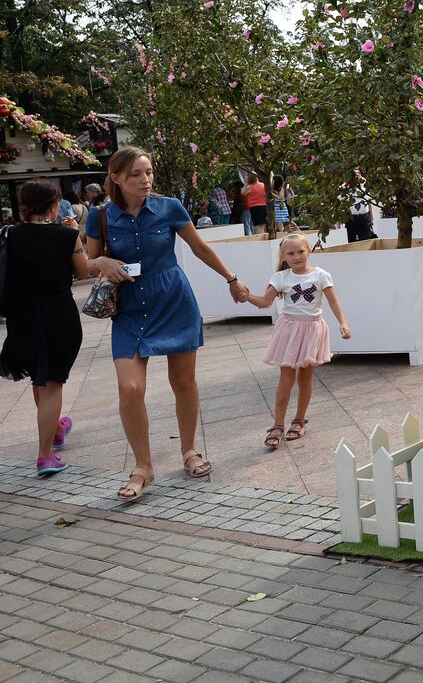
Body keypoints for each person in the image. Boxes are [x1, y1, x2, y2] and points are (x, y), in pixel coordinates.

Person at [85, 147, 251, 501]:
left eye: (148, 172)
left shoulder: (170, 206)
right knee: (130, 389)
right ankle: (143, 466)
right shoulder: (99, 216)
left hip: (173, 300)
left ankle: (189, 450)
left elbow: (199, 247)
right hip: (129, 309)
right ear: (115, 178)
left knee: (185, 382)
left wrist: (231, 279)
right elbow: (87, 262)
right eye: (135, 175)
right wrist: (101, 260)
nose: (145, 180)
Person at [0, 181, 97, 475]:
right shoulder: (67, 236)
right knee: (53, 382)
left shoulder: (9, 234)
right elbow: (83, 273)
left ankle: (55, 429)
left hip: (21, 316)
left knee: (39, 378)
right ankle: (45, 456)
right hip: (58, 315)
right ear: (55, 206)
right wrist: (76, 239)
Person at [244, 234, 351, 448]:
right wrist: (246, 296)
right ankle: (277, 424)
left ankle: (299, 420)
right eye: (290, 253)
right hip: (289, 331)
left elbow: (333, 301)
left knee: (304, 379)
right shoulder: (280, 277)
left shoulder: (321, 275)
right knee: (286, 378)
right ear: (284, 256)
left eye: (300, 251)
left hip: (312, 330)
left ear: (308, 251)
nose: (296, 256)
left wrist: (343, 323)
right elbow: (264, 302)